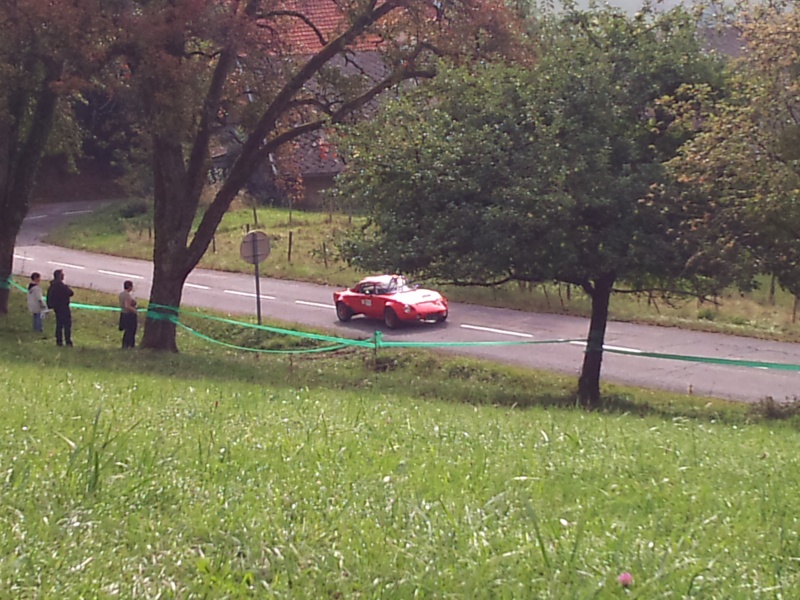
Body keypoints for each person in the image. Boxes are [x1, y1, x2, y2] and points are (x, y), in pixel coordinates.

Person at [47, 269, 74, 347]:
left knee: (59, 325)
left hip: (57, 308)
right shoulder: (62, 286)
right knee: (67, 325)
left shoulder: (52, 286)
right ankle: (68, 341)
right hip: (64, 307)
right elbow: (71, 293)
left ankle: (59, 341)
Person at [118, 280, 138, 349]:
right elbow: (127, 306)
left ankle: (125, 345)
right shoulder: (127, 296)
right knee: (131, 331)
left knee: (127, 331)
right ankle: (129, 345)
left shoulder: (121, 294)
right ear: (129, 287)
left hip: (123, 313)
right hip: (129, 315)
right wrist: (135, 311)